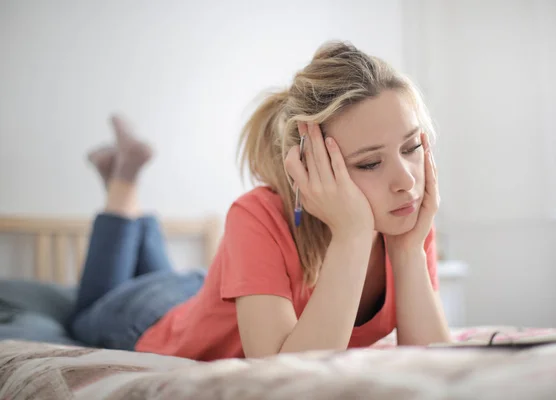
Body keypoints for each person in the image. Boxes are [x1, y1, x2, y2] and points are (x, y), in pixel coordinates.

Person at [67, 40, 452, 361]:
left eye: (412, 146)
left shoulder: (403, 217)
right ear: (308, 164)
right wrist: (351, 236)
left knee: (172, 285)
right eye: (369, 163)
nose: (406, 180)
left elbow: (432, 363)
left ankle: (123, 181)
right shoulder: (256, 215)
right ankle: (123, 181)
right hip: (147, 319)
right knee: (86, 311)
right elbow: (281, 378)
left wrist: (407, 251)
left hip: (199, 294)